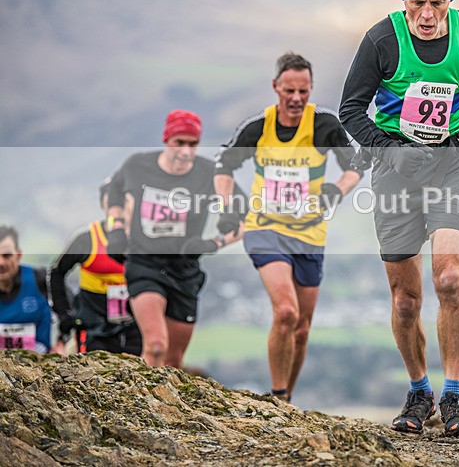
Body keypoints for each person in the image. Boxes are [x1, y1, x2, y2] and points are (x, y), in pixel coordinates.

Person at [338, 0, 459, 436]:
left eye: (437, 3)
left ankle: (455, 395)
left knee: (450, 279)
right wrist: (388, 149)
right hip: (395, 171)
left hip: (453, 161)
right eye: (417, 4)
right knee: (405, 300)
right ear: (404, 0)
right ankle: (419, 390)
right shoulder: (380, 40)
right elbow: (350, 110)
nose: (427, 16)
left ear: (450, 0)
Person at [215, 52, 362, 402]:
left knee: (301, 329)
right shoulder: (258, 127)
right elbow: (223, 164)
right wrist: (227, 207)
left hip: (309, 234)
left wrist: (335, 191)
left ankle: (286, 400)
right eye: (289, 91)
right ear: (276, 87)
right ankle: (277, 394)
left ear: (311, 89)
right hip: (264, 228)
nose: (296, 98)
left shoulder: (325, 125)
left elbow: (356, 165)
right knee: (286, 312)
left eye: (304, 91)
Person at [104, 110, 243, 368]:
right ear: (166, 139)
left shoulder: (209, 173)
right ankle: (144, 406)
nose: (186, 150)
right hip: (144, 263)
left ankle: (167, 404)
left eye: (193, 144)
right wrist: (115, 229)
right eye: (180, 142)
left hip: (184, 271)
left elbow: (247, 216)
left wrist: (213, 243)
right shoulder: (138, 165)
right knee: (156, 346)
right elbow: (112, 191)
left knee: (174, 360)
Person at [48, 183, 142, 356]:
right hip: (94, 326)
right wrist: (63, 313)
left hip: (136, 326)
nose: (118, 208)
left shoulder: (143, 240)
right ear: (103, 205)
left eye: (124, 202)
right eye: (112, 202)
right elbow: (56, 271)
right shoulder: (87, 239)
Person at [0, 225, 52, 354]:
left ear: (18, 255)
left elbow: (73, 309)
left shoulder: (41, 279)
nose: (1, 262)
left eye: (7, 255)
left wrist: (62, 341)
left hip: (41, 362)